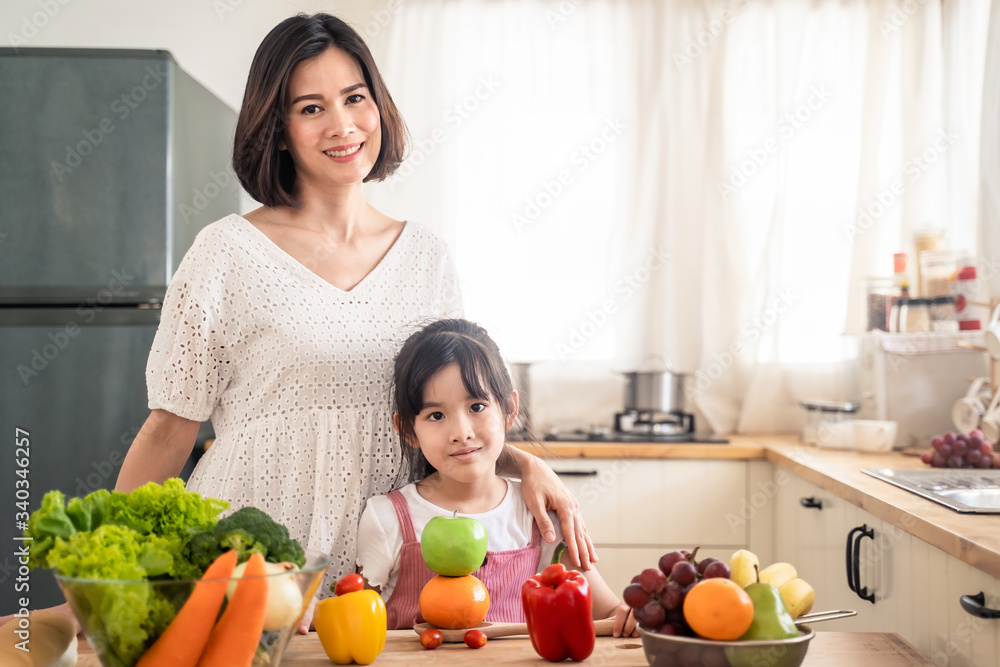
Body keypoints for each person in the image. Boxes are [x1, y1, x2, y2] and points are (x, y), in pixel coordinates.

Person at [106, 13, 595, 635]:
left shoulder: (428, 258)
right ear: (277, 130)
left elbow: (445, 414)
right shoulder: (225, 251)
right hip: (249, 563)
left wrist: (524, 463)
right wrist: (102, 575)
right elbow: (170, 427)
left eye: (354, 98)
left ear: (378, 106)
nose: (342, 125)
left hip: (383, 571)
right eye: (310, 108)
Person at [357, 319, 638, 637]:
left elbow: (609, 613)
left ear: (509, 410)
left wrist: (628, 617)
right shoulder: (387, 517)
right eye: (436, 415)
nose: (461, 433)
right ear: (407, 429)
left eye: (476, 406)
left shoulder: (540, 516)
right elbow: (356, 621)